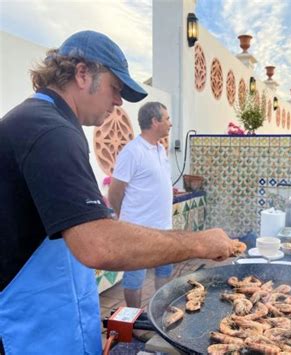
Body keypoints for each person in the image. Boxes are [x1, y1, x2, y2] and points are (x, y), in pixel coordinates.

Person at [0, 30, 237, 355]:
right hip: (30, 328)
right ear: (82, 73)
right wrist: (199, 242)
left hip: (53, 314)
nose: (118, 101)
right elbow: (97, 244)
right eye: (115, 88)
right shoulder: (50, 130)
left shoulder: (43, 121)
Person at [108, 102, 174, 309]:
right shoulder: (132, 151)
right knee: (134, 278)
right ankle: (134, 318)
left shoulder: (160, 149)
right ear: (155, 122)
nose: (170, 124)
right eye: (167, 119)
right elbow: (115, 191)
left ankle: (161, 310)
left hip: (164, 227)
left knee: (164, 271)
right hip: (138, 229)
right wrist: (124, 218)